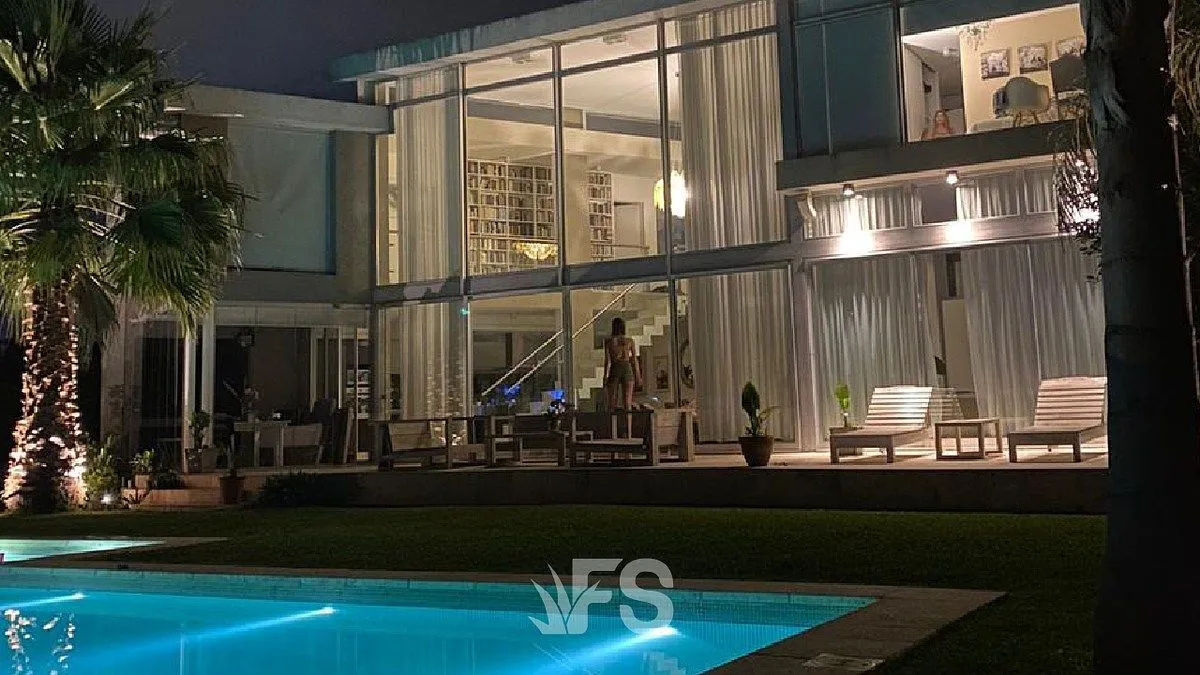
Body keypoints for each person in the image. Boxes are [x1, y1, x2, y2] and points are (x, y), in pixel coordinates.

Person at [603, 317, 641, 411]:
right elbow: (634, 360)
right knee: (627, 403)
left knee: (612, 402)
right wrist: (638, 376)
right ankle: (628, 421)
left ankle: (612, 420)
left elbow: (607, 361)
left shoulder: (609, 342)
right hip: (626, 366)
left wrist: (605, 376)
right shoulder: (629, 341)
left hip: (615, 367)